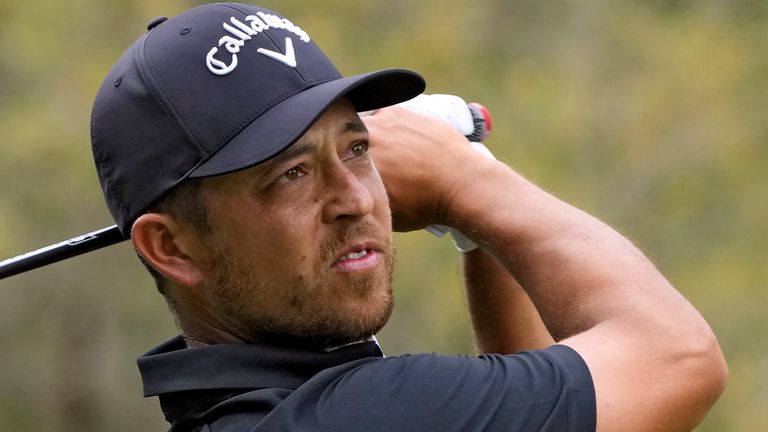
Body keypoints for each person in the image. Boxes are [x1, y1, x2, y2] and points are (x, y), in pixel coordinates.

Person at [90, 3, 727, 431]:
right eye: (292, 173)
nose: (357, 199)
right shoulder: (361, 413)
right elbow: (677, 357)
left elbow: (545, 409)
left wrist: (478, 233)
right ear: (171, 248)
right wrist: (465, 180)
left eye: (357, 148)